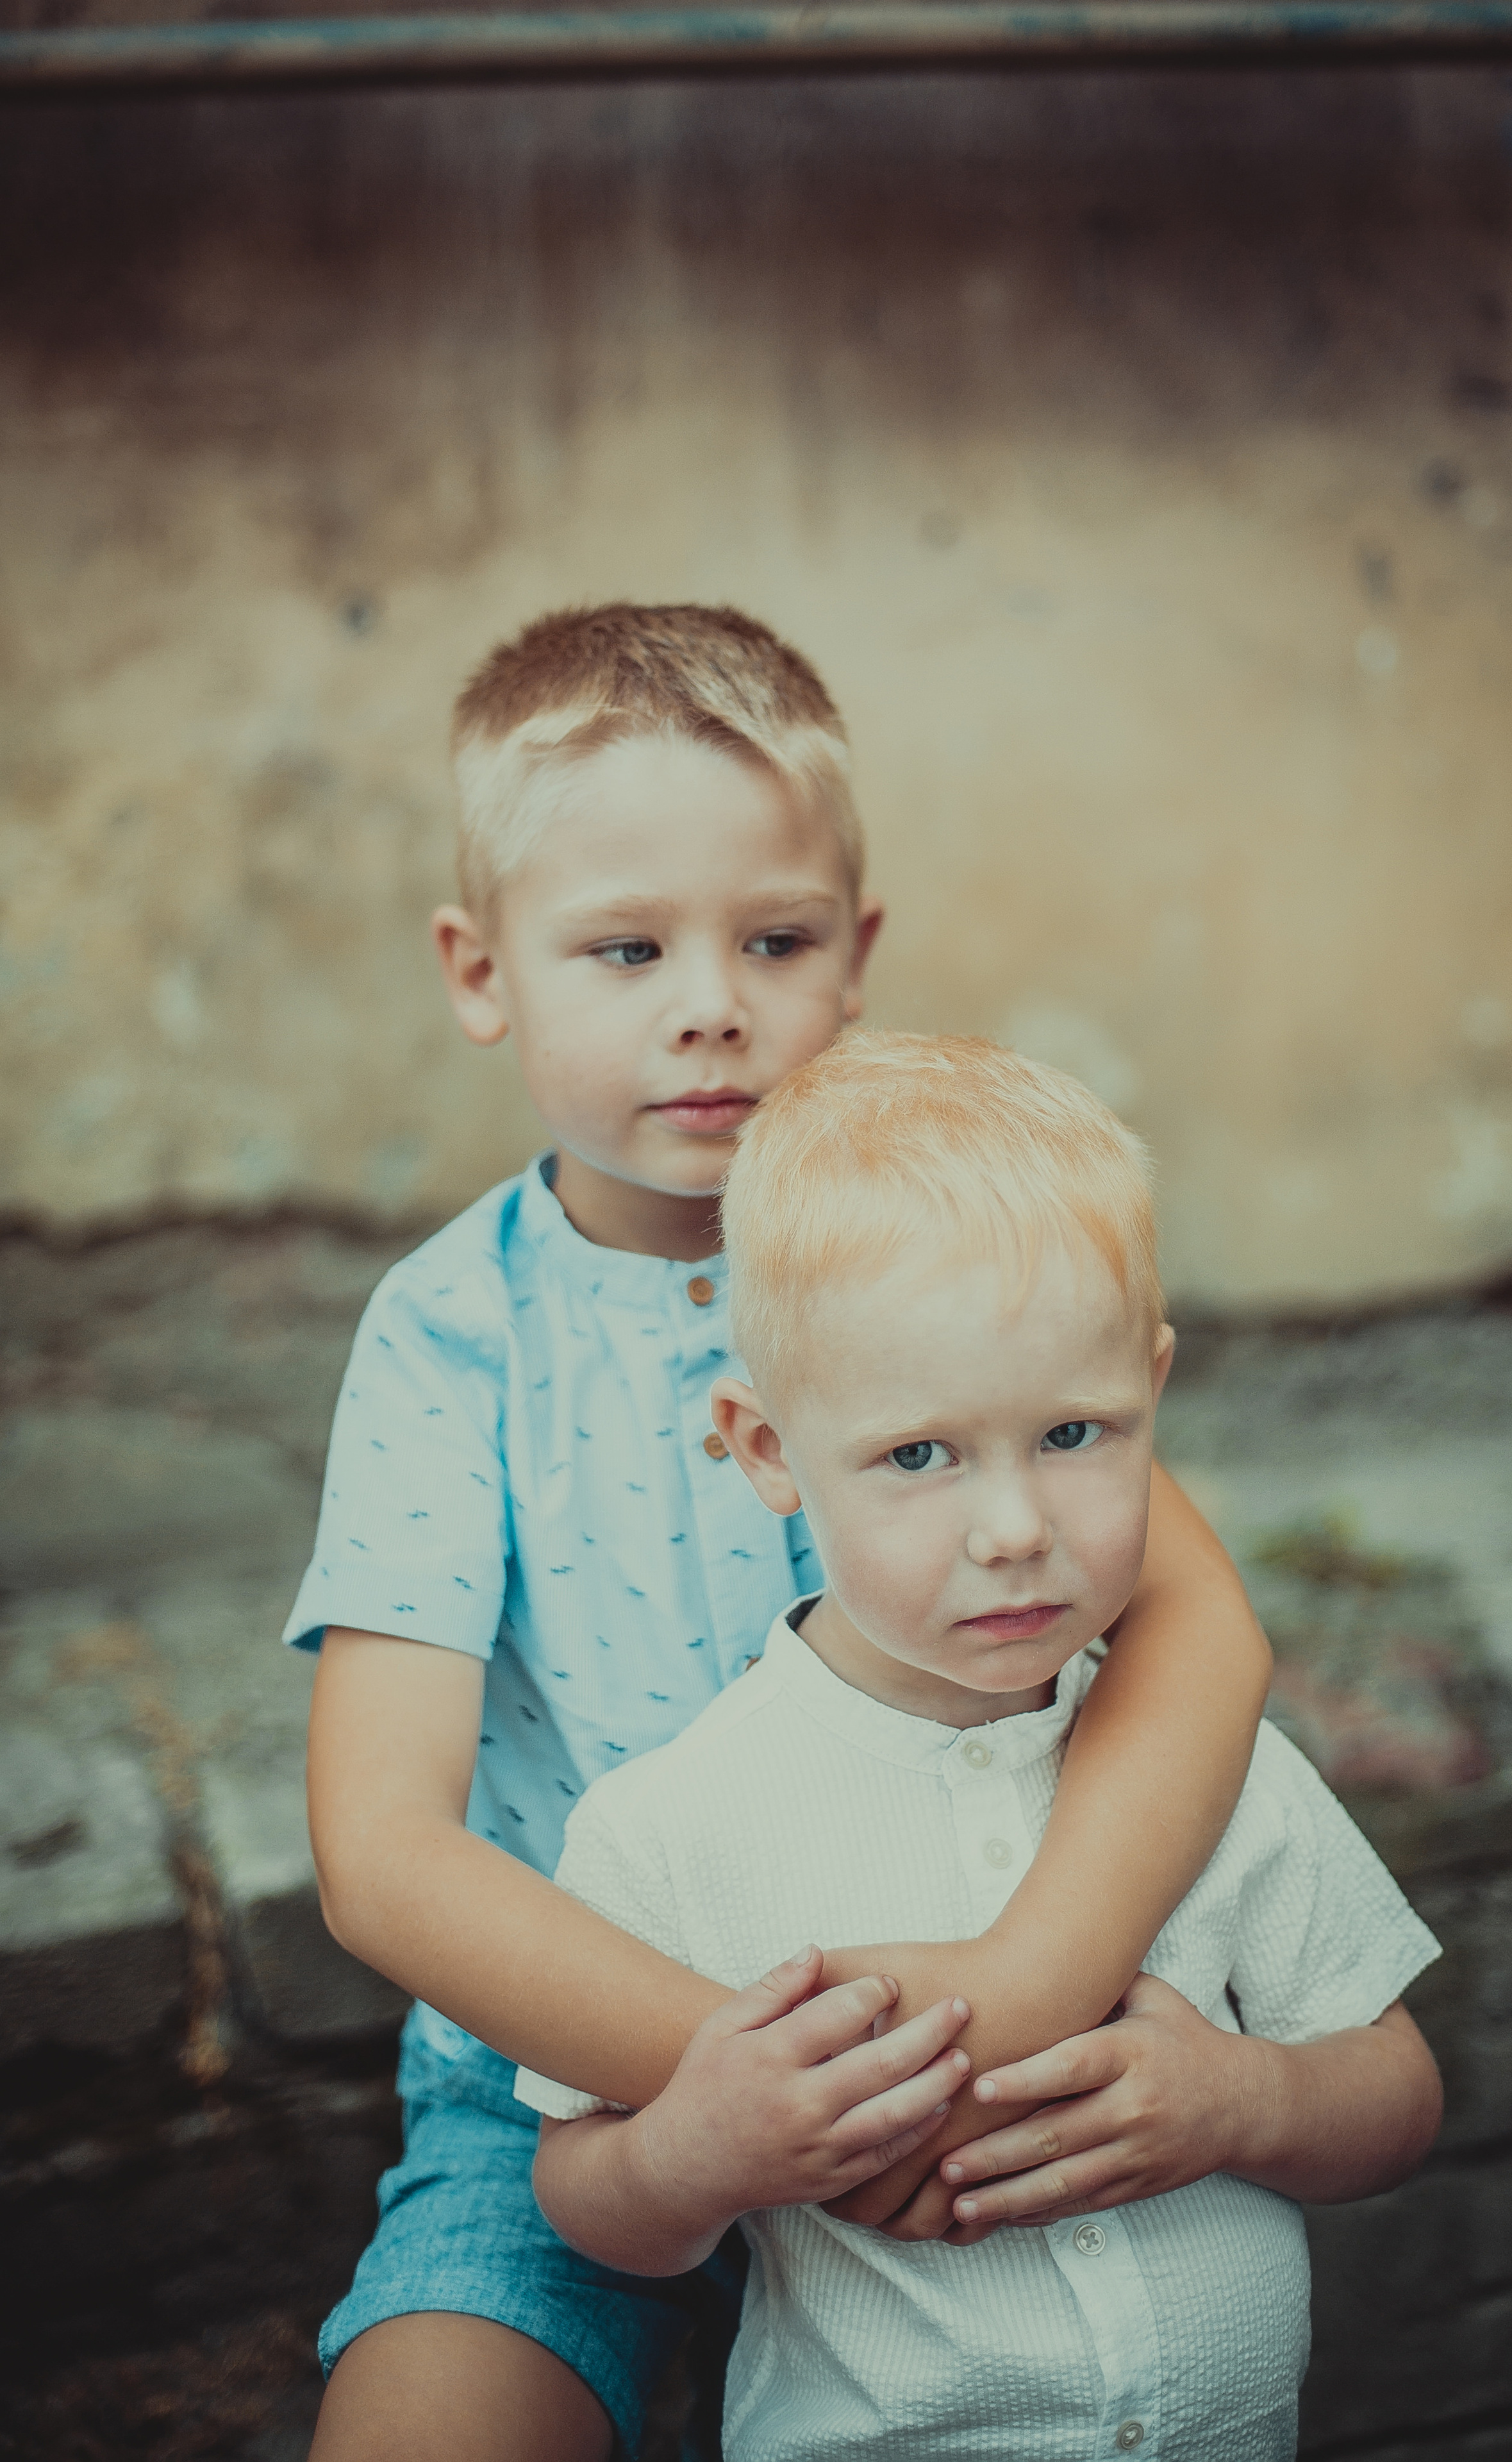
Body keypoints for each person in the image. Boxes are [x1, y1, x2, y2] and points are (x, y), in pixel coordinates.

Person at [292, 605, 1274, 2462]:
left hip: (961, 2039)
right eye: (625, 946)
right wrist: (739, 2094)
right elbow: (385, 1853)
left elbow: (1202, 1630)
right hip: (570, 2079)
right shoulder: (452, 1339)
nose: (709, 1002)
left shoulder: (931, 1261)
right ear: (482, 968)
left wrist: (1022, 1989)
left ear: (859, 959)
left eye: (775, 939)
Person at [519, 1032, 1444, 2462]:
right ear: (765, 1448)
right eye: (917, 1457)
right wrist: (687, 2156)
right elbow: (587, 2200)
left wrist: (1244, 2102)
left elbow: (1396, 2097)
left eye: (1073, 1432)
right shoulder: (672, 1830)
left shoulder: (1212, 1766)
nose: (1012, 1528)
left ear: (1152, 1386)